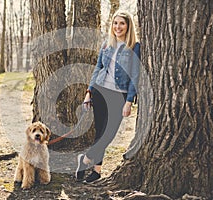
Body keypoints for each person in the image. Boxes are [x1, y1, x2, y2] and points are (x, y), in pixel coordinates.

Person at [75, 10, 140, 183]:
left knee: (109, 134)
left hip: (119, 95)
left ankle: (85, 160)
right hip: (100, 91)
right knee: (100, 133)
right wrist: (89, 92)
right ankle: (96, 171)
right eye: (115, 23)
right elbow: (98, 68)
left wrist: (129, 101)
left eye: (122, 23)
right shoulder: (107, 44)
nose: (118, 27)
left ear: (128, 26)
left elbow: (135, 75)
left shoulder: (134, 46)